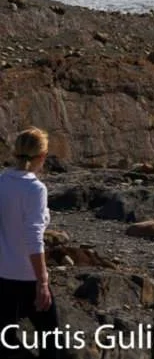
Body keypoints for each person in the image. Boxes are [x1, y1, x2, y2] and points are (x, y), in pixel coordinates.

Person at [0, 127, 63, 359]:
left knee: (6, 341)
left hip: (3, 275)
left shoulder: (2, 181)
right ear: (42, 157)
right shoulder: (35, 188)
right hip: (27, 277)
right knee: (51, 342)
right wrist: (43, 282)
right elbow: (34, 237)